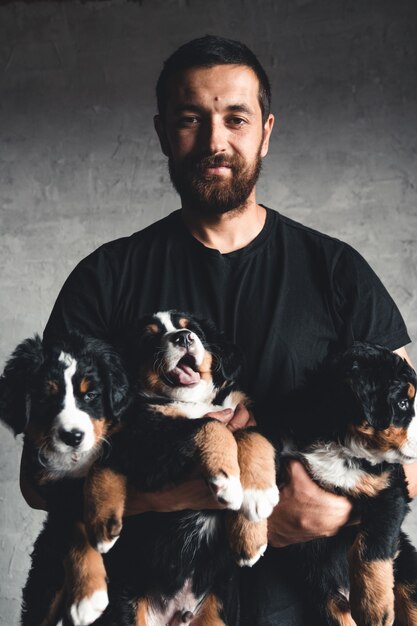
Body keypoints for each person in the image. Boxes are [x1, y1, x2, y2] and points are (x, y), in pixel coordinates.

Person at [21, 36, 416, 625]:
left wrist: (333, 512)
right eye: (190, 120)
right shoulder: (105, 278)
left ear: (266, 130)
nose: (215, 141)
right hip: (147, 605)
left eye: (236, 118)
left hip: (308, 609)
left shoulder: (337, 272)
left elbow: (411, 442)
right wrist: (199, 491)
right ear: (161, 133)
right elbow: (41, 474)